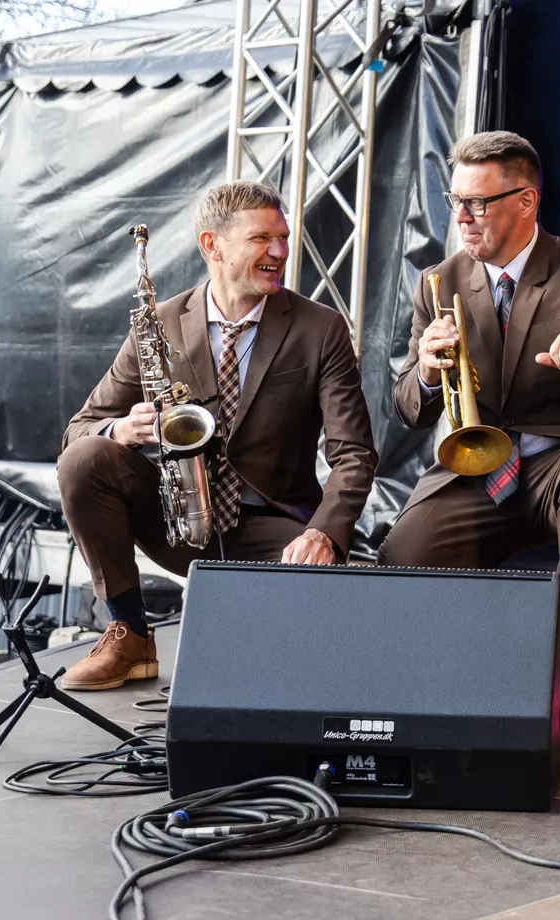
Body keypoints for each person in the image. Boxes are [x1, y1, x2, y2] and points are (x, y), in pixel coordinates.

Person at [376, 131, 560, 706]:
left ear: (526, 201)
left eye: (477, 202)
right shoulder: (439, 280)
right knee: (404, 554)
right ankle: (452, 672)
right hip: (479, 464)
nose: (462, 216)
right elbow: (408, 406)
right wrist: (429, 370)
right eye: (455, 200)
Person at [58, 180, 378, 690]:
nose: (279, 251)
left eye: (283, 237)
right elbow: (79, 430)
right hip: (178, 522)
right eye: (260, 238)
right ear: (213, 245)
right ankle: (129, 634)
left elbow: (354, 454)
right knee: (85, 459)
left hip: (273, 528)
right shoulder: (158, 324)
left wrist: (323, 533)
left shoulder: (322, 328)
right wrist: (121, 429)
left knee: (314, 657)